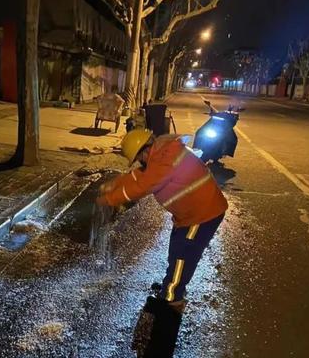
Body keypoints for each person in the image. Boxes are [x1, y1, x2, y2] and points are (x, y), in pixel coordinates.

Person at [97, 129, 228, 315]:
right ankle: (171, 284)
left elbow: (143, 185)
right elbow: (138, 176)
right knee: (177, 250)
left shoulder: (165, 159)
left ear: (144, 151)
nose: (140, 163)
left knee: (183, 253)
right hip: (191, 214)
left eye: (139, 158)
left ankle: (171, 298)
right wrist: (115, 184)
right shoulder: (161, 155)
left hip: (201, 214)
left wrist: (110, 199)